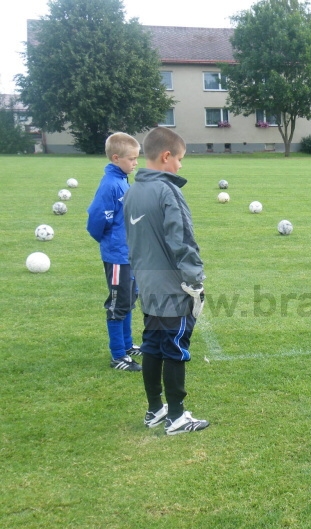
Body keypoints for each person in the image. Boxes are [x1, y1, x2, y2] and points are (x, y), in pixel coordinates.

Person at [123, 127, 209, 435]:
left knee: (152, 345)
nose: (181, 165)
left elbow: (132, 242)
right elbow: (182, 240)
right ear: (166, 156)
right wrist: (195, 283)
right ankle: (176, 417)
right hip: (172, 286)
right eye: (180, 159)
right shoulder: (168, 191)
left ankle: (154, 410)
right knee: (174, 347)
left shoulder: (132, 191)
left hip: (147, 285)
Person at [86, 132, 143, 371]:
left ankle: (127, 346)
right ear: (116, 158)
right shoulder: (110, 184)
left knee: (128, 300)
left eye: (137, 158)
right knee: (118, 304)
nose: (136, 163)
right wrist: (110, 242)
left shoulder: (122, 180)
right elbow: (96, 219)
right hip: (118, 256)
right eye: (132, 159)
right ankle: (118, 356)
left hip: (128, 254)